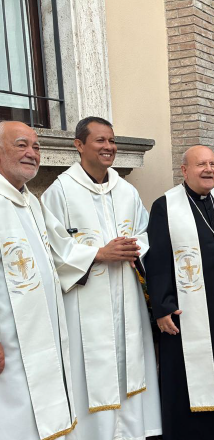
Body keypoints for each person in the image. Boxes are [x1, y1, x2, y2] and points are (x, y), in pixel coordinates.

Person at [41, 117, 161, 439]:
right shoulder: (59, 192)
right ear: (79, 145)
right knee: (92, 367)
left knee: (130, 362)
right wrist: (98, 253)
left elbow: (144, 232)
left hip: (127, 296)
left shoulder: (126, 190)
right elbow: (51, 248)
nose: (109, 147)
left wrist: (134, 247)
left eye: (112, 140)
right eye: (100, 140)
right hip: (85, 301)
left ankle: (132, 432)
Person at [145, 145, 214, 440]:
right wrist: (162, 306)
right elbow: (157, 260)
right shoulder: (166, 206)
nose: (209, 169)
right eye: (201, 164)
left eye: (213, 164)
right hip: (187, 308)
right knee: (193, 369)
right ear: (184, 170)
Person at [0, 121, 77, 440]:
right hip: (9, 339)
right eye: (21, 145)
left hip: (42, 330)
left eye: (36, 147)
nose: (32, 153)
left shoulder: (31, 201)